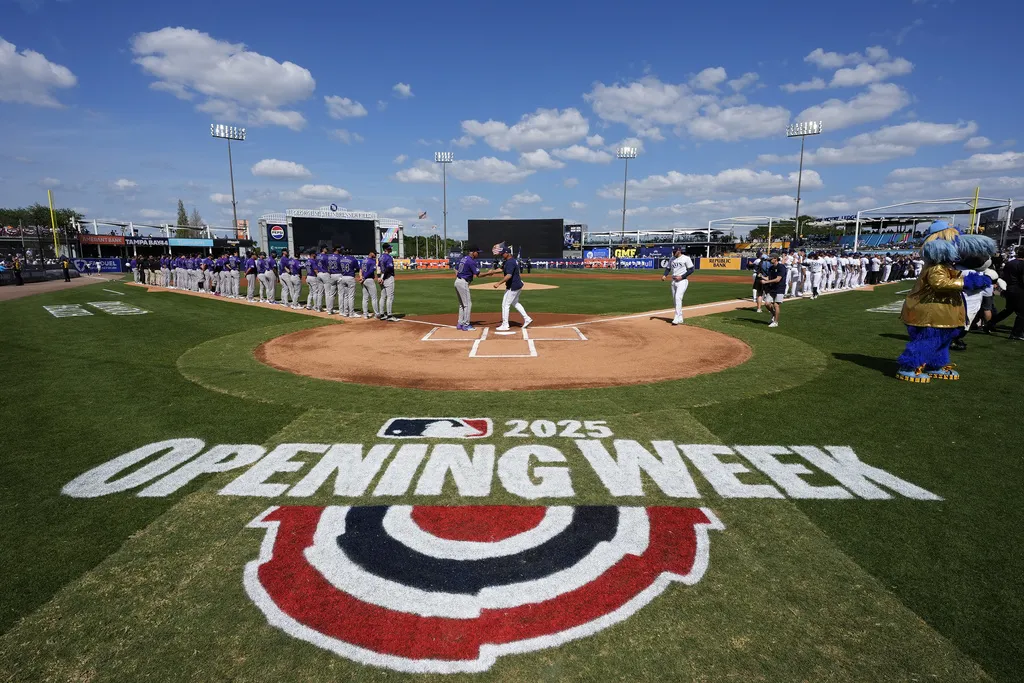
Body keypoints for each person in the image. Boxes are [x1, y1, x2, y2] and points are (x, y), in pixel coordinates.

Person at [484, 245, 532, 331]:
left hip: (513, 286)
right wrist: (492, 272)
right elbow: (501, 269)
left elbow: (508, 276)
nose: (502, 255)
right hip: (515, 285)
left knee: (505, 304)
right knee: (515, 303)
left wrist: (498, 283)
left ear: (507, 253)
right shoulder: (507, 261)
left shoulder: (510, 262)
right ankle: (527, 318)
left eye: (503, 253)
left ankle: (505, 324)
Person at [987, 246, 1024, 340]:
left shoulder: (1010, 263)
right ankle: (1016, 333)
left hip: (1009, 288)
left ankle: (990, 323)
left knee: (1008, 310)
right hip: (1019, 289)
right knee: (1021, 313)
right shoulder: (1022, 264)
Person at [661, 246, 694, 325]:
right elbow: (668, 268)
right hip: (673, 281)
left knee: (678, 297)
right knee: (675, 300)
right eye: (673, 251)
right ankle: (680, 317)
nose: (673, 252)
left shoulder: (686, 258)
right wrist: (665, 275)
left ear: (679, 251)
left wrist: (682, 276)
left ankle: (676, 317)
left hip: (682, 281)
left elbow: (691, 269)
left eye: (675, 251)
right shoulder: (672, 259)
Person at [454, 245, 481, 331]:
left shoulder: (463, 258)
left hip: (457, 281)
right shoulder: (471, 261)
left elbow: (455, 269)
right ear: (473, 252)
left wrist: (460, 275)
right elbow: (478, 275)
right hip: (463, 282)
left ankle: (460, 323)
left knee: (462, 305)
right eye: (477, 252)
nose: (478, 254)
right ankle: (466, 324)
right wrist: (490, 273)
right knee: (468, 304)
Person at [762, 253, 787, 328]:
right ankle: (773, 314)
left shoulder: (781, 267)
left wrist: (766, 282)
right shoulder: (771, 268)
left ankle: (776, 322)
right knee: (767, 303)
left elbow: (777, 279)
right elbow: (769, 278)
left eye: (771, 259)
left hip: (780, 288)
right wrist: (761, 277)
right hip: (772, 288)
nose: (769, 261)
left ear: (775, 258)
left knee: (776, 305)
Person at [377, 243, 398, 321]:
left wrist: (379, 277)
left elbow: (378, 267)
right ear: (386, 249)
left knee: (383, 296)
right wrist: (383, 278)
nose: (391, 249)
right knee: (390, 296)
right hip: (388, 277)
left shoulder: (380, 257)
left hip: (382, 276)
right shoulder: (388, 257)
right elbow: (388, 269)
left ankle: (382, 314)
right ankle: (389, 315)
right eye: (389, 248)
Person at [359, 249, 379, 319]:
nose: (375, 255)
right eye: (374, 253)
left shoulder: (364, 260)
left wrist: (361, 277)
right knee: (374, 298)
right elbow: (371, 271)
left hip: (364, 280)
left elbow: (360, 270)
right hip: (369, 280)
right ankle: (377, 314)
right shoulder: (372, 261)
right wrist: (363, 277)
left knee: (365, 298)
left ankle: (365, 314)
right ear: (371, 253)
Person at [338, 248, 359, 317]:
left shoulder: (341, 259)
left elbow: (339, 268)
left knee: (345, 296)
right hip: (350, 277)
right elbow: (357, 268)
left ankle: (345, 312)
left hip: (343, 277)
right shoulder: (353, 259)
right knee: (351, 296)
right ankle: (351, 313)